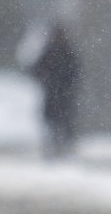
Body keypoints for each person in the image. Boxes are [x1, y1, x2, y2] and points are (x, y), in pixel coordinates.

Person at [30, 23, 81, 157]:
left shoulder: (65, 51)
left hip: (62, 94)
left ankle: (62, 147)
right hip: (54, 94)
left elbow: (74, 72)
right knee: (54, 123)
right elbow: (37, 69)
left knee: (62, 123)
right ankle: (55, 147)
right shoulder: (50, 51)